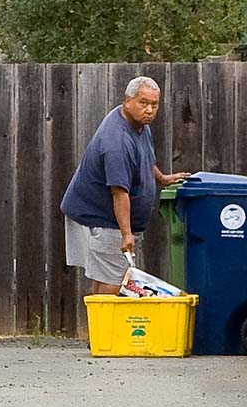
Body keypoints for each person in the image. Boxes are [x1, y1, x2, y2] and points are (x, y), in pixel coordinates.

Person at [60, 76, 189, 295]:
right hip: (102, 218)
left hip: (107, 218)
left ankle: (101, 329)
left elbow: (144, 160)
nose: (149, 110)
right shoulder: (117, 143)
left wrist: (163, 179)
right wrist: (126, 234)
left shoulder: (139, 125)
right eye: (143, 103)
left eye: (154, 104)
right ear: (127, 101)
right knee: (116, 278)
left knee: (107, 274)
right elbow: (119, 193)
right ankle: (106, 329)